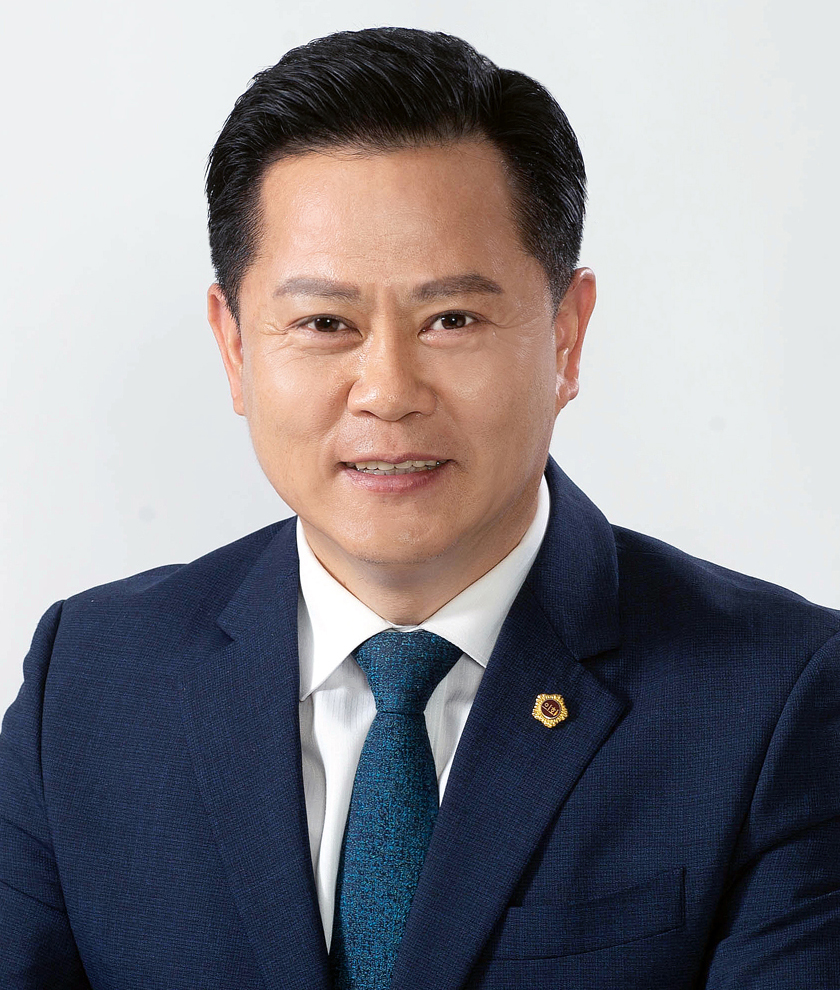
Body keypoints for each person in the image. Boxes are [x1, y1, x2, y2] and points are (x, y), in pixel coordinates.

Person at [1, 25, 838, 990]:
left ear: (566, 337)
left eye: (453, 319)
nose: (388, 392)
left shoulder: (779, 697)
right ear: (234, 347)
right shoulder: (90, 684)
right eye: (325, 322)